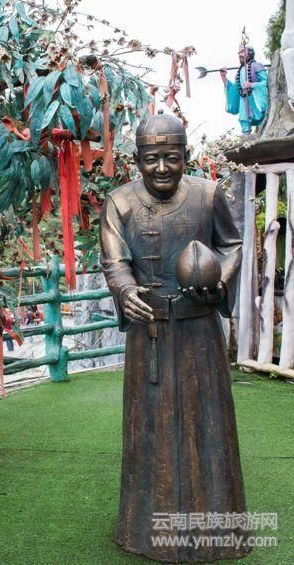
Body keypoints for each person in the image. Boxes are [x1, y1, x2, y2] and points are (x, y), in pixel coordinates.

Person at [100, 113, 250, 562]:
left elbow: (232, 246)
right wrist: (125, 292)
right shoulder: (120, 202)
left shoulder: (207, 195)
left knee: (209, 426)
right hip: (148, 333)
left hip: (200, 330)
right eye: (152, 159)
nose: (162, 168)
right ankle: (144, 531)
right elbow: (115, 261)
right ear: (137, 160)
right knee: (149, 430)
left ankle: (218, 532)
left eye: (171, 157)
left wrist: (218, 279)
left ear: (186, 155)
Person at [221, 44, 268, 133]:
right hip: (243, 99)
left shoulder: (257, 66)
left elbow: (267, 82)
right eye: (239, 53)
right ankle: (246, 135)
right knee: (243, 119)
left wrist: (252, 85)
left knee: (263, 118)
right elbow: (235, 88)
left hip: (255, 98)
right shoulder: (240, 71)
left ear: (250, 53)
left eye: (242, 52)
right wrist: (224, 77)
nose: (239, 54)